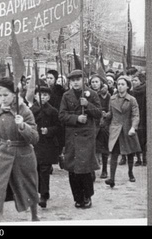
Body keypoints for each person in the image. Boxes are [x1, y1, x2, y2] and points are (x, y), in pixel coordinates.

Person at [0, 77, 40, 222]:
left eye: (6, 95)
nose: (2, 98)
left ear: (15, 94)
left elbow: (34, 137)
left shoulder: (24, 111)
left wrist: (22, 126)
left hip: (22, 154)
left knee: (29, 187)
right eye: (0, 95)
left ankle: (35, 216)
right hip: (1, 154)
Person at [59, 70, 102, 209]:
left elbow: (98, 113)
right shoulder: (66, 96)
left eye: (78, 79)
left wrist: (87, 105)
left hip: (86, 136)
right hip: (72, 135)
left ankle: (87, 196)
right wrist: (76, 118)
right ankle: (77, 197)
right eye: (73, 80)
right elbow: (62, 115)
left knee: (85, 168)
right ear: (70, 82)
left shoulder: (92, 94)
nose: (76, 82)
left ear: (84, 80)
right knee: (73, 169)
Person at [104, 76, 142, 188]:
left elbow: (136, 115)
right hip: (115, 129)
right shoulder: (112, 99)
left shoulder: (132, 100)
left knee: (130, 152)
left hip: (127, 129)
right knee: (114, 153)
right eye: (118, 84)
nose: (120, 86)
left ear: (127, 86)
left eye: (122, 84)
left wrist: (133, 127)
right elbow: (110, 114)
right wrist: (105, 115)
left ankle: (130, 173)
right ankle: (112, 178)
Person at [30, 86, 62, 209]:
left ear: (48, 97)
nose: (41, 97)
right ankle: (41, 191)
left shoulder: (53, 111)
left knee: (44, 170)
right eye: (39, 95)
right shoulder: (31, 110)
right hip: (35, 143)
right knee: (36, 169)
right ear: (35, 96)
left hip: (47, 144)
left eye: (44, 95)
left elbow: (59, 127)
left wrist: (48, 130)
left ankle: (43, 194)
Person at [89, 74, 111, 179]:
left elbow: (111, 109)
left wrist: (106, 115)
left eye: (97, 82)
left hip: (103, 123)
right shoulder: (88, 94)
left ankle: (105, 170)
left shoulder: (106, 95)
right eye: (93, 82)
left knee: (104, 147)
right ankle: (92, 170)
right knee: (92, 147)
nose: (94, 84)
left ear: (101, 83)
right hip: (92, 123)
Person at [131, 72, 147, 166]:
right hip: (135, 117)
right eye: (132, 80)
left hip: (144, 117)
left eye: (135, 80)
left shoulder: (146, 91)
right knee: (136, 138)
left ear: (141, 81)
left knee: (144, 139)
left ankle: (144, 158)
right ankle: (138, 159)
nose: (133, 82)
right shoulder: (132, 92)